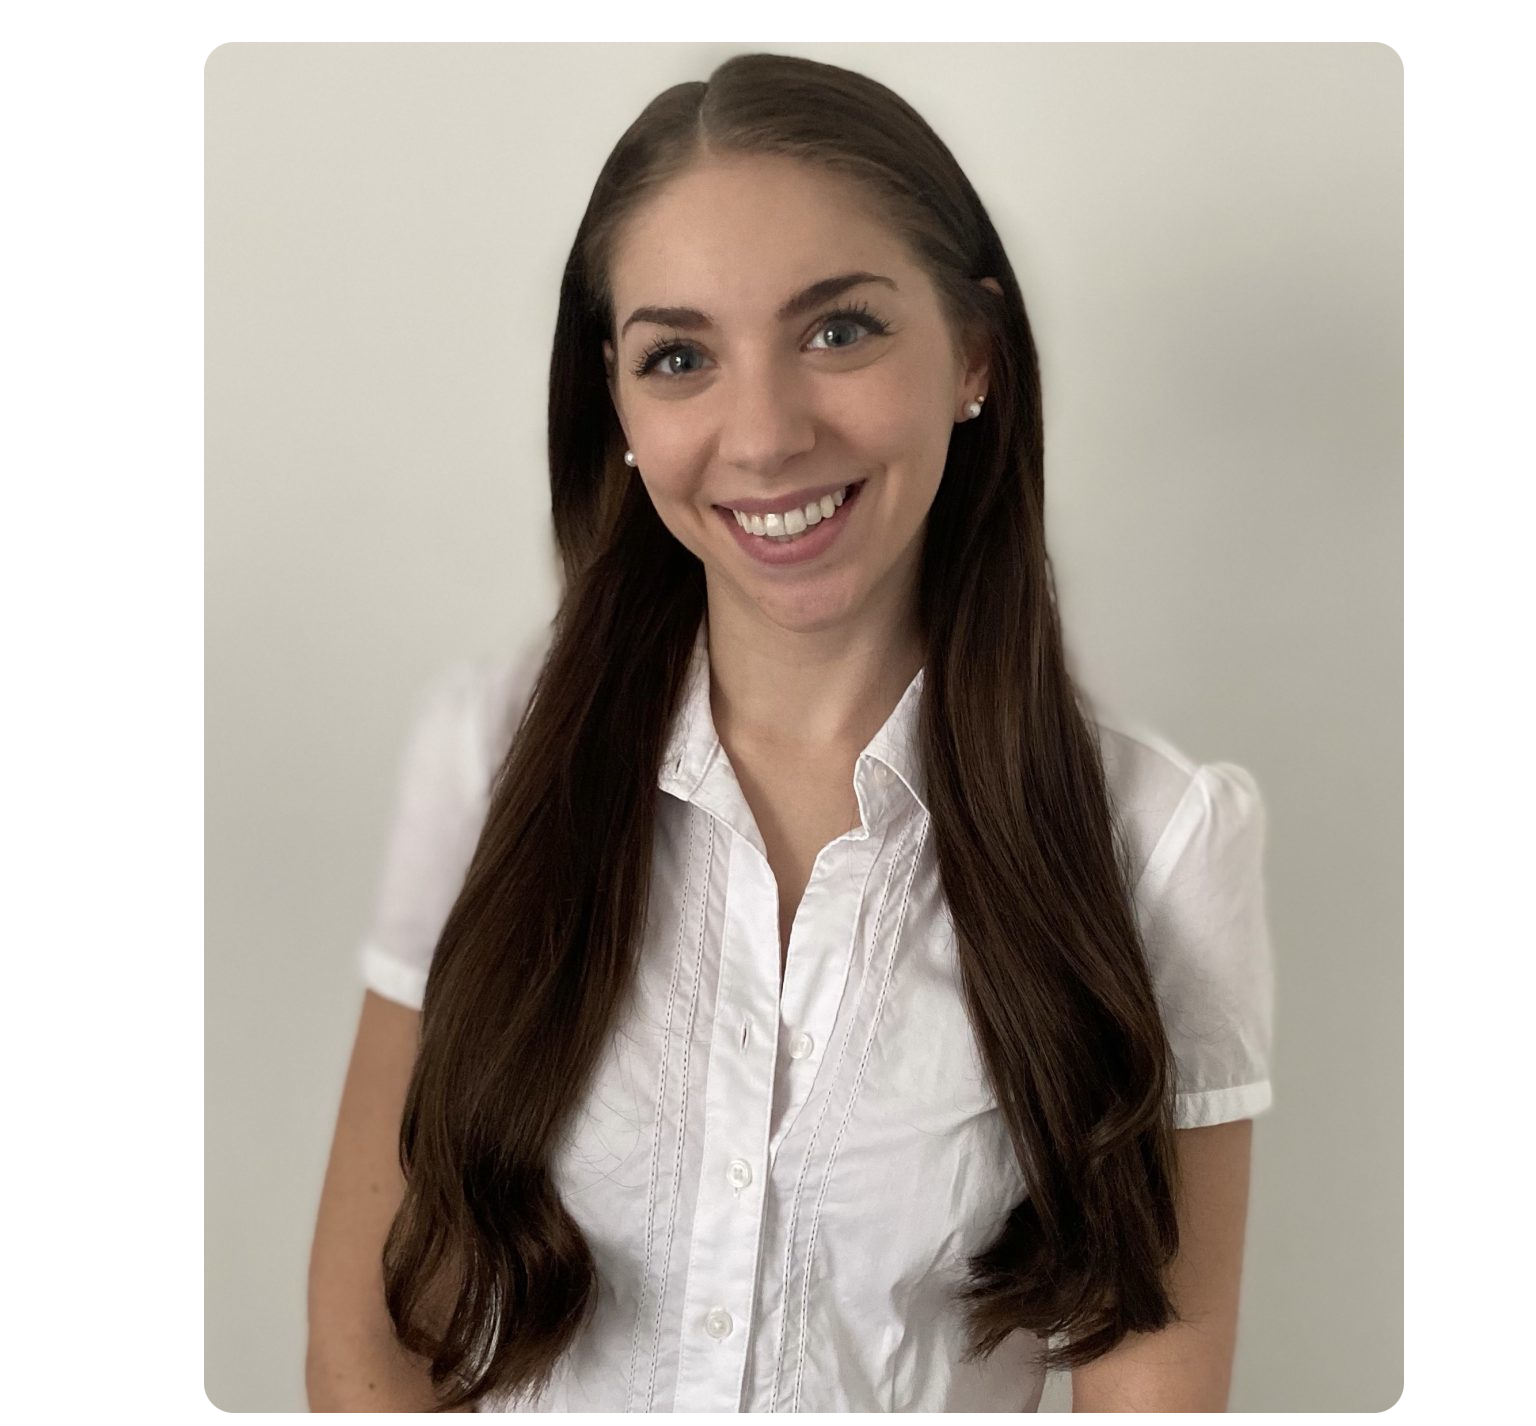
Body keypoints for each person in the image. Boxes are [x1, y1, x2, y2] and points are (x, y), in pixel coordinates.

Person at [307, 52, 1275, 1415]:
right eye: (681, 355)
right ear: (622, 409)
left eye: (838, 331)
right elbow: (368, 1343)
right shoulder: (481, 759)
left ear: (975, 354)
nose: (760, 434)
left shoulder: (1164, 844)